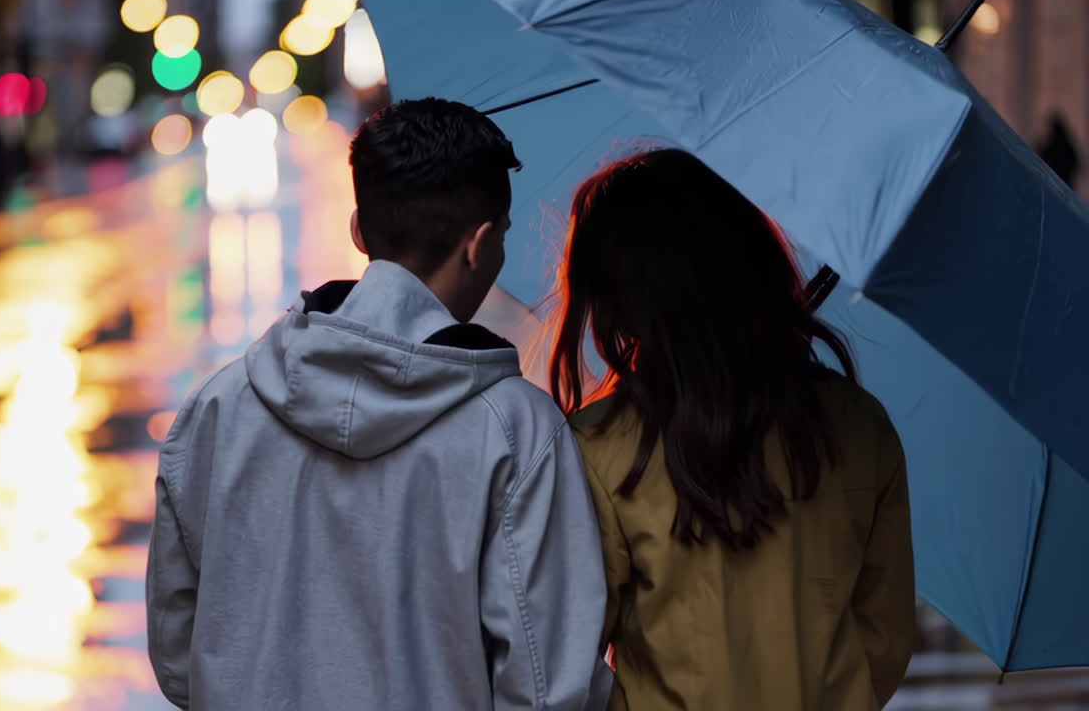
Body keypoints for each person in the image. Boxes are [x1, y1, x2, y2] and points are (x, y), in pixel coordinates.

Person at [147, 98, 612, 710]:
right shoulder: (515, 431)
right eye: (501, 234)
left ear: (360, 232)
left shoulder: (220, 406)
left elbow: (180, 650)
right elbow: (549, 682)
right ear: (478, 244)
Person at [550, 148, 916, 710]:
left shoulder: (597, 448)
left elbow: (566, 660)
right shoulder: (859, 427)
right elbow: (884, 638)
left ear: (616, 298)